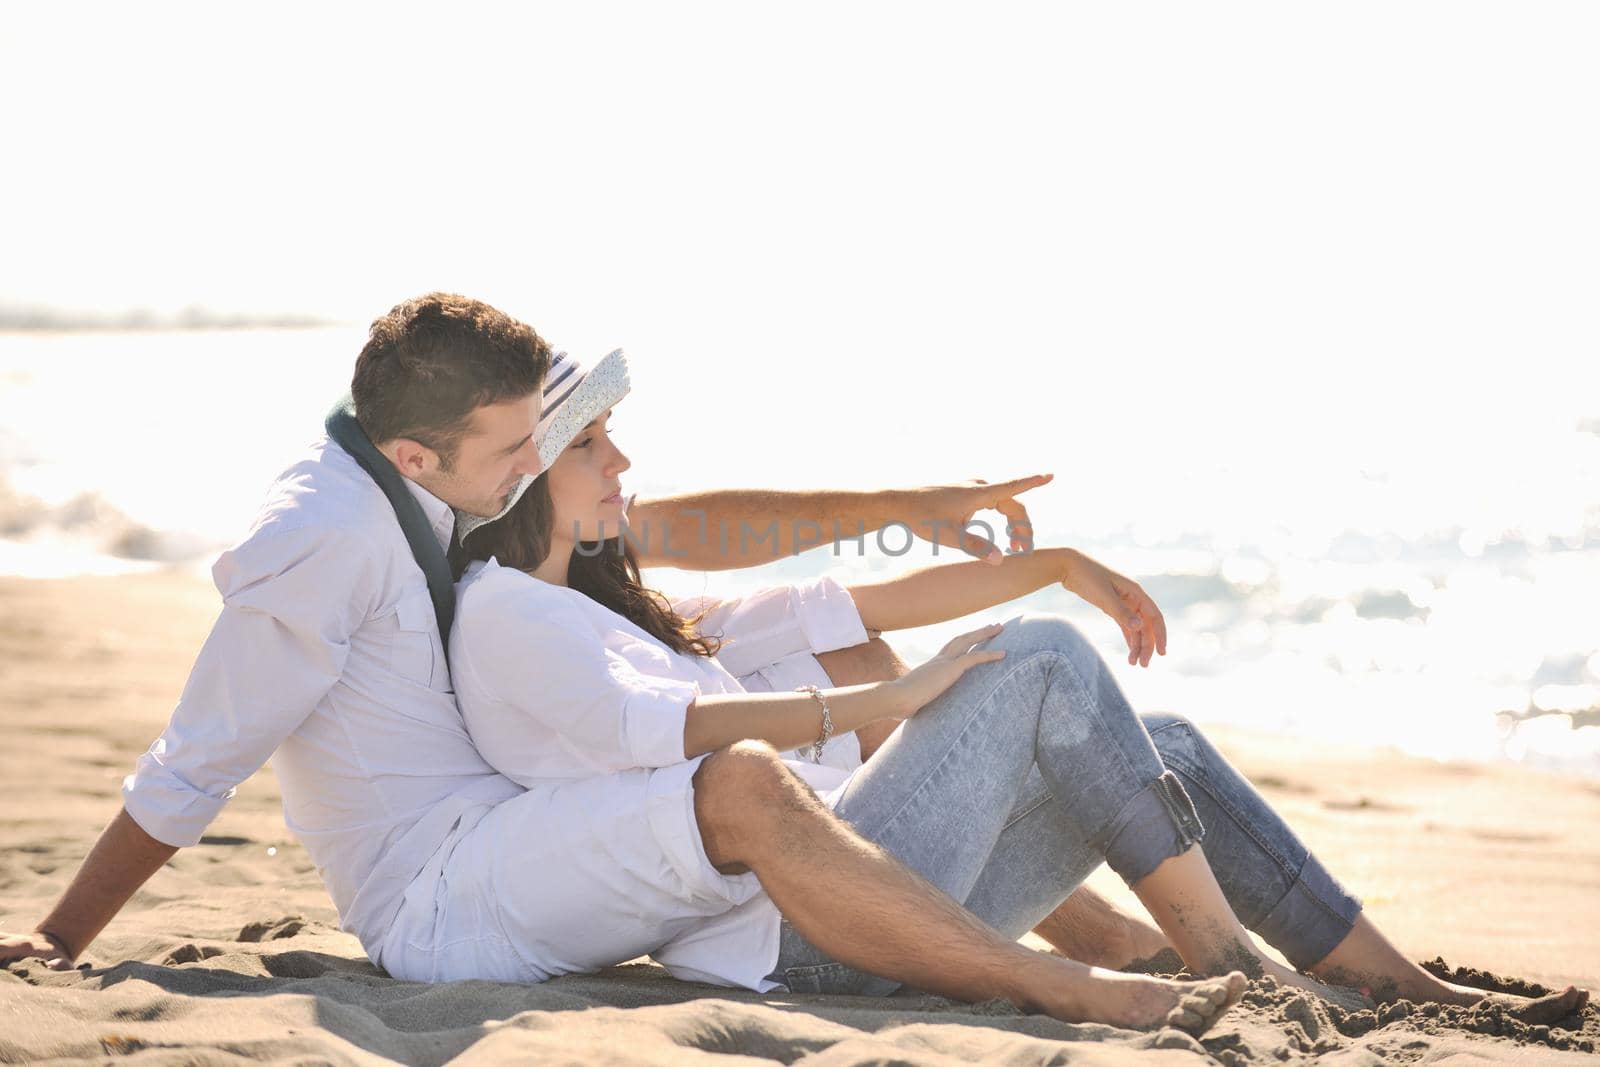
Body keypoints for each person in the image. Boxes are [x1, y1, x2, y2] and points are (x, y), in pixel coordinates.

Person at [441, 347, 1590, 1032]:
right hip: (794, 934)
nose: (625, 466)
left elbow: (863, 603)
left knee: (1166, 738)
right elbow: (666, 730)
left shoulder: (650, 615)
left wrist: (1047, 563)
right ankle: (1229, 968)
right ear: (533, 470)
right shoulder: (517, 619)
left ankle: (1407, 986)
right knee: (1041, 660)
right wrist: (896, 701)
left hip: (859, 900)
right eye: (597, 443)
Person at [0, 294, 1072, 982]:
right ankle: (1020, 955)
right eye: (524, 444)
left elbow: (669, 523)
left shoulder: (437, 460)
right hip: (447, 886)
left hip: (522, 802)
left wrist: (907, 501)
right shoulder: (322, 537)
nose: (535, 463)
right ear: (421, 456)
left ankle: (1071, 930)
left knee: (838, 649)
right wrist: (61, 936)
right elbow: (204, 749)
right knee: (760, 759)